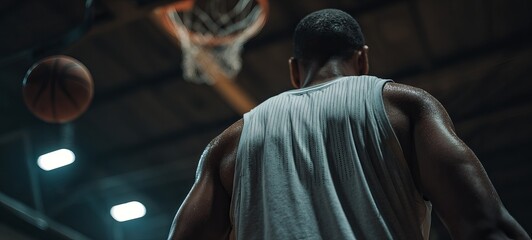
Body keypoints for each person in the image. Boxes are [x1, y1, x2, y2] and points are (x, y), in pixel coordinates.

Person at [167, 9, 530, 240]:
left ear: (295, 70)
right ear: (363, 59)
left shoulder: (227, 145)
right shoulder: (404, 106)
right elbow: (485, 227)